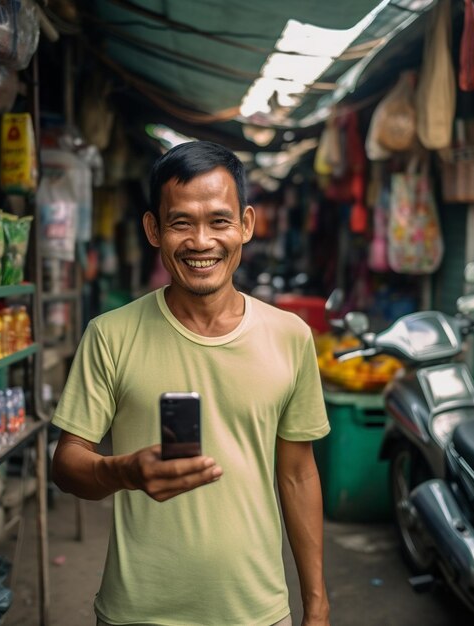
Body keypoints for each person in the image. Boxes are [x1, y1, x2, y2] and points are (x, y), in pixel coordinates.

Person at [51, 140, 331, 626]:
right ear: (153, 230)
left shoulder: (290, 337)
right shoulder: (110, 335)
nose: (201, 242)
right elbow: (67, 465)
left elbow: (298, 474)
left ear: (246, 224)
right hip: (136, 613)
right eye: (181, 222)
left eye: (219, 221)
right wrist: (124, 472)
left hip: (257, 613)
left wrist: (318, 605)